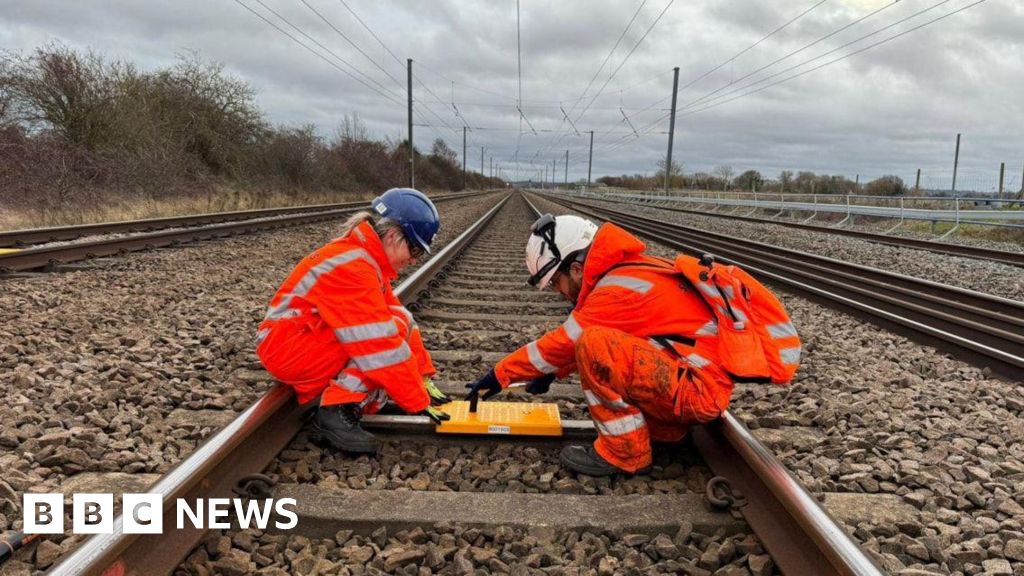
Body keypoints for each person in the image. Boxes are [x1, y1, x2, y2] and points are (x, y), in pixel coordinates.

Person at [465, 213, 800, 476]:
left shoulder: (615, 290)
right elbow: (633, 342)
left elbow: (566, 342)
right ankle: (664, 431)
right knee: (600, 344)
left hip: (695, 391)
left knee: (594, 344)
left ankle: (625, 453)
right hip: (691, 379)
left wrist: (500, 375)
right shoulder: (628, 273)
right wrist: (553, 373)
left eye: (556, 282)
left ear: (577, 268)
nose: (558, 292)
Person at [256, 188, 451, 454]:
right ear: (393, 237)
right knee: (378, 342)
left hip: (301, 338)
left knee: (399, 319)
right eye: (415, 249)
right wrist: (417, 401)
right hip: (287, 348)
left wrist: (423, 378)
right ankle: (335, 411)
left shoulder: (367, 260)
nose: (414, 260)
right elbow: (379, 346)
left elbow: (402, 319)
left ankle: (346, 399)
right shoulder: (354, 268)